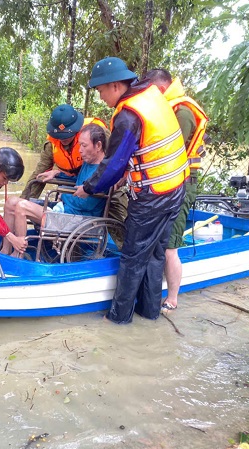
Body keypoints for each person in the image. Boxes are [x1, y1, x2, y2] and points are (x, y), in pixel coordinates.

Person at [74, 56, 188, 324]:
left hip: (153, 196)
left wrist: (89, 188)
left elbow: (113, 164)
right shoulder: (150, 93)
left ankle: (118, 319)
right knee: (156, 254)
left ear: (115, 86)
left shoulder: (127, 115)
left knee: (133, 256)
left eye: (101, 91)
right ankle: (149, 313)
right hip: (175, 188)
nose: (101, 97)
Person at [142, 68, 210, 314]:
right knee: (158, 239)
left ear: (159, 89)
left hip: (182, 182)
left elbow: (168, 150)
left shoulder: (182, 111)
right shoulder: (171, 108)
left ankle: (172, 298)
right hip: (166, 182)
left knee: (170, 245)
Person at [0, 123, 110, 257]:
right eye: (80, 145)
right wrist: (57, 173)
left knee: (22, 206)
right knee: (11, 202)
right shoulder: (89, 161)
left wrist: (63, 195)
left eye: (84, 146)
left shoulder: (103, 172)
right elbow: (77, 182)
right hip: (66, 210)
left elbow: (85, 204)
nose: (80, 150)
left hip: (78, 220)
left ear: (98, 146)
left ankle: (18, 254)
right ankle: (5, 250)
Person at [19, 104, 109, 201]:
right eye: (59, 135)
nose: (63, 138)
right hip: (71, 180)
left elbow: (116, 157)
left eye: (67, 135)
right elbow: (39, 174)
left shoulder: (96, 132)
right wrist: (24, 201)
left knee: (115, 197)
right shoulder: (51, 145)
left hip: (98, 177)